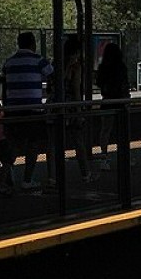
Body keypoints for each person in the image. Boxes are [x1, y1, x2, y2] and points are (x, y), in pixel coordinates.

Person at [1, 31, 52, 191]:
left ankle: (4, 176)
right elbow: (52, 74)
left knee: (14, 144)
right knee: (33, 145)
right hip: (33, 110)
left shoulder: (8, 62)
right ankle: (27, 179)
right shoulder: (39, 61)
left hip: (13, 110)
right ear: (33, 44)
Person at [61, 37, 95, 184]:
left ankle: (53, 177)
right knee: (78, 140)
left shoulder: (57, 63)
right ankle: (86, 173)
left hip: (57, 104)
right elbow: (76, 88)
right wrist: (79, 110)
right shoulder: (76, 66)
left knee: (54, 143)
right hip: (72, 106)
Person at [94, 42, 129, 163]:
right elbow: (124, 83)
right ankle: (124, 156)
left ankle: (104, 155)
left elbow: (98, 82)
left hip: (107, 100)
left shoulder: (103, 66)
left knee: (105, 130)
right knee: (122, 130)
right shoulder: (121, 67)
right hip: (120, 100)